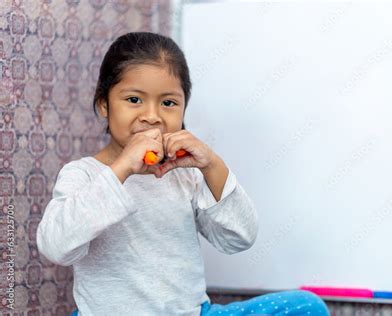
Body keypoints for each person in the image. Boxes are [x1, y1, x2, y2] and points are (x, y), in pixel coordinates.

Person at [37, 32, 329, 316]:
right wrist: (122, 169)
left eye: (168, 103)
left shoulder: (186, 175)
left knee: (307, 306)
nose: (152, 115)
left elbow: (239, 238)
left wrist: (212, 165)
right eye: (134, 100)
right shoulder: (83, 174)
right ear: (104, 104)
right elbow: (56, 247)